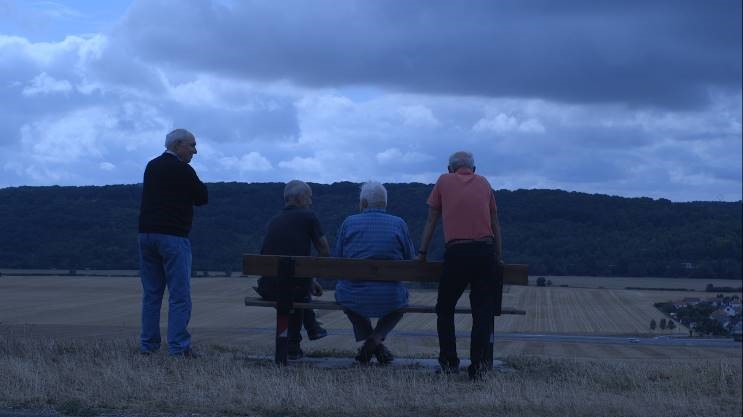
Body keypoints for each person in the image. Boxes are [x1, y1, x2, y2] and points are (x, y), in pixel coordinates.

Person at [417, 151, 503, 380]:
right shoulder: (484, 183)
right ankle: (478, 367)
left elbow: (431, 220)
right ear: (473, 169)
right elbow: (495, 222)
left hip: (457, 254)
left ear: (449, 169)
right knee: (482, 313)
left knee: (444, 309)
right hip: (485, 253)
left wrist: (422, 253)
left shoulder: (443, 181)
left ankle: (449, 362)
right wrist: (498, 255)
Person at [138, 128, 208, 357]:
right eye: (192, 145)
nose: (195, 151)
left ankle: (148, 346)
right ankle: (178, 348)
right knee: (179, 296)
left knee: (152, 294)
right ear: (178, 145)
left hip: (146, 235)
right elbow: (202, 197)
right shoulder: (183, 169)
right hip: (173, 237)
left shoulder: (152, 166)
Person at [334, 181, 415, 365]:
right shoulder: (399, 224)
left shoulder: (349, 222)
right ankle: (375, 341)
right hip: (390, 296)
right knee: (401, 303)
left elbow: (337, 259)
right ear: (384, 203)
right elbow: (410, 260)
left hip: (354, 295)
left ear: (363, 203)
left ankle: (371, 341)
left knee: (344, 297)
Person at [255, 180, 330, 360]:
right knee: (297, 293)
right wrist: (310, 279)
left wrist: (309, 281)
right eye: (309, 197)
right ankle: (299, 340)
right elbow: (325, 251)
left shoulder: (274, 221)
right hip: (292, 288)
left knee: (292, 288)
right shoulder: (309, 217)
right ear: (300, 198)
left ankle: (301, 339)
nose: (310, 202)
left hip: (268, 288)